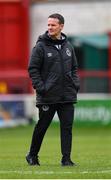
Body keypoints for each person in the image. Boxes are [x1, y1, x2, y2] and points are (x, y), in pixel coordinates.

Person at [26, 13, 80, 166]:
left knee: (67, 128)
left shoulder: (68, 46)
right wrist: (41, 88)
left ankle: (66, 159)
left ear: (61, 26)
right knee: (42, 127)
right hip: (48, 95)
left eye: (53, 25)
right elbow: (33, 69)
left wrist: (75, 84)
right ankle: (32, 155)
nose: (49, 27)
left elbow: (74, 68)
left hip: (67, 95)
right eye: (48, 25)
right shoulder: (40, 46)